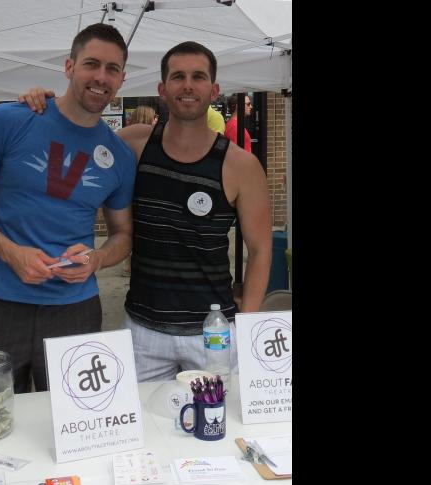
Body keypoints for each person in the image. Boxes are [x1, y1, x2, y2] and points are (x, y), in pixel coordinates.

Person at [19, 41, 271, 382]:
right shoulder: (135, 143)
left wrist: (247, 324)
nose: (187, 85)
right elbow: (78, 132)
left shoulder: (241, 165)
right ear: (162, 89)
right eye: (178, 76)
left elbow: (260, 251)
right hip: (143, 331)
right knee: (139, 419)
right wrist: (44, 105)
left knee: (219, 416)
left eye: (198, 77)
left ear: (214, 91)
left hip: (212, 331)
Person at [0, 23, 136, 393]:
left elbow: (123, 234)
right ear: (69, 67)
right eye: (91, 64)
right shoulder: (10, 119)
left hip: (76, 309)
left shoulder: (120, 156)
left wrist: (97, 259)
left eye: (112, 69)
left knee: (75, 422)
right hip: (0, 304)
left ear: (122, 79)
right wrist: (9, 252)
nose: (101, 77)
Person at [121, 105, 157, 277]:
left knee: (126, 228)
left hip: (125, 190)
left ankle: (127, 263)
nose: (156, 119)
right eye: (154, 116)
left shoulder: (123, 137)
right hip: (143, 190)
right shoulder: (152, 141)